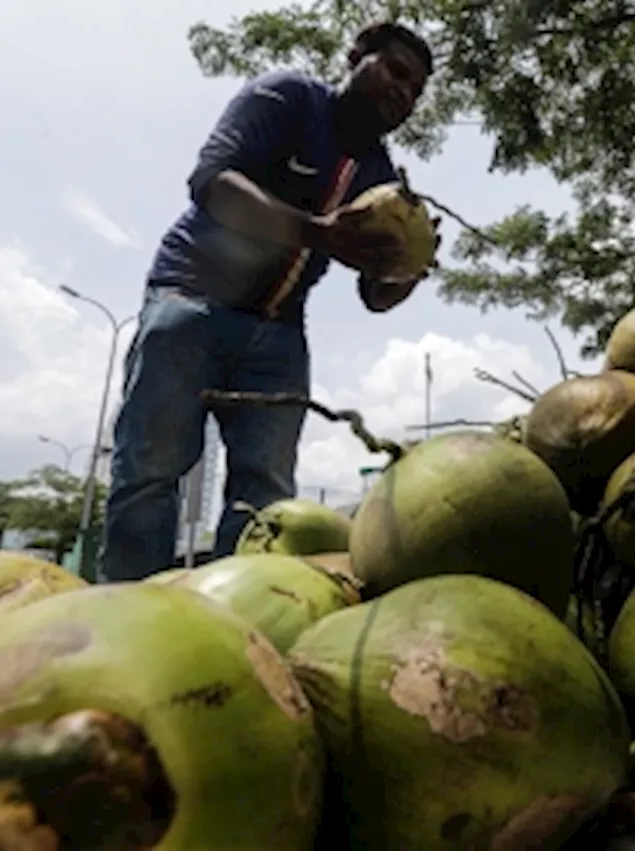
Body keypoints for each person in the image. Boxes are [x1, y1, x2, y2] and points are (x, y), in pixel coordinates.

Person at [99, 21, 436, 582]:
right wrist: (320, 233)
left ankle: (234, 619)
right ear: (356, 56)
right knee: (150, 472)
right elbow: (212, 183)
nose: (404, 93)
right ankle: (120, 610)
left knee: (266, 497)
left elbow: (376, 297)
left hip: (278, 335)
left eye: (416, 91)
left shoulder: (380, 175)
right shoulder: (287, 97)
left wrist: (410, 267)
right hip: (191, 302)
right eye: (396, 72)